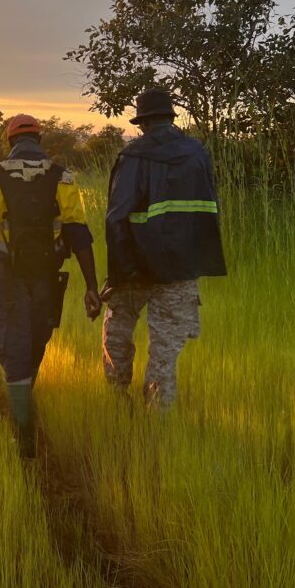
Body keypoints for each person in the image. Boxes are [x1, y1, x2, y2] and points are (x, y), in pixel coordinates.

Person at [0, 114, 100, 457]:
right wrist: (91, 287)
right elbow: (78, 233)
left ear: (9, 141)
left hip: (10, 274)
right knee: (37, 337)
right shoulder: (63, 176)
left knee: (12, 343)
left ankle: (24, 433)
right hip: (47, 275)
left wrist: (5, 248)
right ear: (40, 140)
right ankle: (26, 405)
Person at [102, 88, 226, 409]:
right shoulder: (197, 154)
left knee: (117, 335)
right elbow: (210, 210)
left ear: (142, 122)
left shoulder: (133, 156)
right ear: (171, 117)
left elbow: (117, 218)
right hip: (181, 268)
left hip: (135, 268)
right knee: (165, 351)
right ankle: (157, 418)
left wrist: (117, 273)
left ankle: (117, 403)